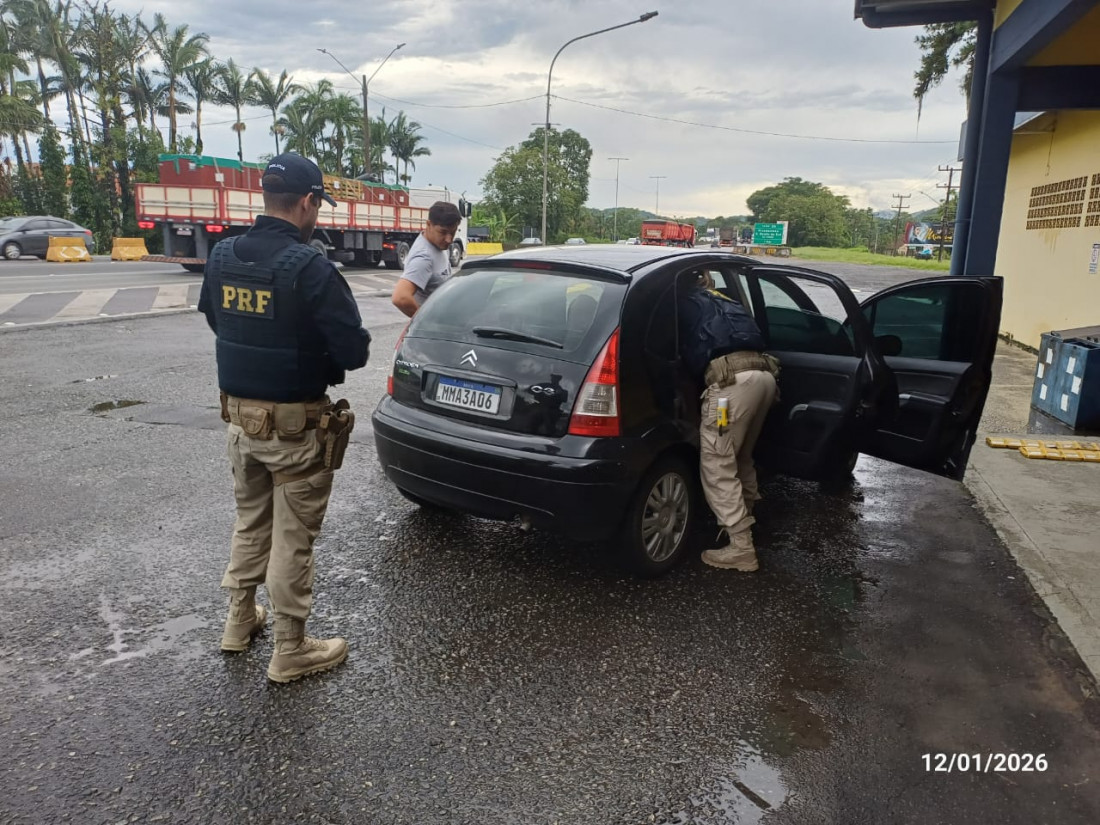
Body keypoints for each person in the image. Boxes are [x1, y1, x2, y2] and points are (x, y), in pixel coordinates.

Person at [197, 152, 371, 682]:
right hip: (295, 430)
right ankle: (290, 648)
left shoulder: (222, 255)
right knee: (293, 536)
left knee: (251, 520)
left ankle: (239, 620)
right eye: (319, 204)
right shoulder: (311, 268)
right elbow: (354, 352)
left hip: (239, 423)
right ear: (308, 202)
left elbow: (217, 320)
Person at [678, 272, 778, 572]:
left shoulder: (683, 304)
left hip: (729, 391)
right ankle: (746, 517)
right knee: (740, 455)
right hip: (764, 379)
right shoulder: (722, 299)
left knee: (717, 462)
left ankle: (741, 547)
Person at [390, 201, 462, 317]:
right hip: (435, 325)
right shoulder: (424, 257)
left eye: (452, 233)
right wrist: (425, 321)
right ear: (429, 225)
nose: (449, 239)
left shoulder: (438, 245)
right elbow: (400, 297)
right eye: (443, 232)